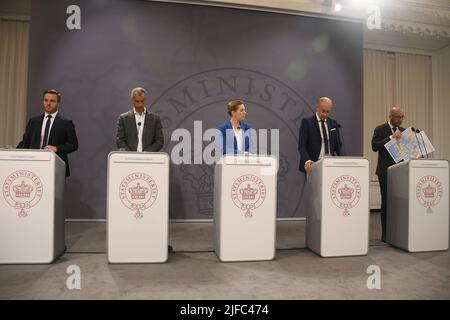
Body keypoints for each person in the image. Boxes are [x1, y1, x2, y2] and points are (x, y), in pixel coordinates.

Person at [17, 89, 79, 177]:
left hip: (55, 168)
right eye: (46, 100)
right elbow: (25, 143)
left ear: (58, 103)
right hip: (34, 166)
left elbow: (74, 145)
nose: (48, 103)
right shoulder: (33, 121)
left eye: (52, 101)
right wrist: (14, 152)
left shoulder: (66, 123)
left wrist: (56, 148)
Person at [371, 106, 406, 242]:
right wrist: (391, 137)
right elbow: (375, 146)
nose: (400, 120)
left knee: (400, 203)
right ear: (391, 116)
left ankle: (399, 232)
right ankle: (386, 234)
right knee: (386, 202)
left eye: (402, 117)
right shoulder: (380, 129)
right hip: (385, 172)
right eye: (398, 117)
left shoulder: (404, 132)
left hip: (401, 172)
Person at [298, 97, 344, 174]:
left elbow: (338, 147)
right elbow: (302, 146)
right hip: (313, 165)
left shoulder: (333, 123)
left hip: (330, 165)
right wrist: (307, 161)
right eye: (323, 111)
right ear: (317, 108)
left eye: (328, 112)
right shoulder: (307, 122)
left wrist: (345, 161)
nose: (325, 114)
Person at [116, 87, 164, 152]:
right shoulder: (123, 118)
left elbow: (159, 141)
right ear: (132, 100)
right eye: (137, 101)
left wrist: (147, 152)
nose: (140, 104)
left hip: (148, 158)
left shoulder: (155, 119)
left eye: (142, 101)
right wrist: (130, 154)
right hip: (129, 159)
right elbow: (120, 140)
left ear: (145, 100)